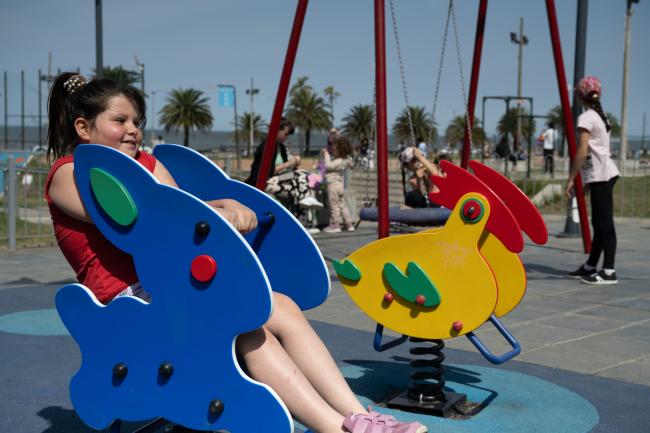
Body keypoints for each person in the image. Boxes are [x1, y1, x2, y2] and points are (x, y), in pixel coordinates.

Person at [44, 72, 427, 433]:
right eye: (120, 120)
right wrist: (220, 209)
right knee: (245, 327)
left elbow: (184, 204)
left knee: (281, 307)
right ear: (83, 127)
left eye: (136, 121)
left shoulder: (146, 163)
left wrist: (224, 201)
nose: (133, 130)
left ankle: (358, 417)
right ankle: (332, 427)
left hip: (171, 289)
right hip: (126, 305)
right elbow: (146, 222)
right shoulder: (68, 174)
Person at [566, 76, 620, 285]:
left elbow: (582, 151)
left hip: (602, 175)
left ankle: (609, 271)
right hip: (602, 174)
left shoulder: (587, 117)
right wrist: (587, 179)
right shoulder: (600, 115)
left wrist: (572, 177)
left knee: (604, 223)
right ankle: (590, 266)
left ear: (580, 96)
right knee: (599, 222)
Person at [245, 118, 321, 210]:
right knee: (299, 188)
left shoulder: (281, 147)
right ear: (277, 130)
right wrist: (288, 164)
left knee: (302, 174)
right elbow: (266, 171)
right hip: (264, 182)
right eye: (286, 134)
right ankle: (307, 198)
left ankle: (306, 200)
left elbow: (285, 169)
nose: (287, 137)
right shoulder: (266, 146)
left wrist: (294, 164)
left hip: (276, 180)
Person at [322, 136, 355, 233]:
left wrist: (326, 154)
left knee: (334, 205)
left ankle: (336, 225)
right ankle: (349, 224)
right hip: (340, 185)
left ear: (339, 151)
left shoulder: (338, 161)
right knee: (342, 204)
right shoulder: (345, 160)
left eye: (334, 150)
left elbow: (328, 166)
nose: (333, 151)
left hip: (333, 185)